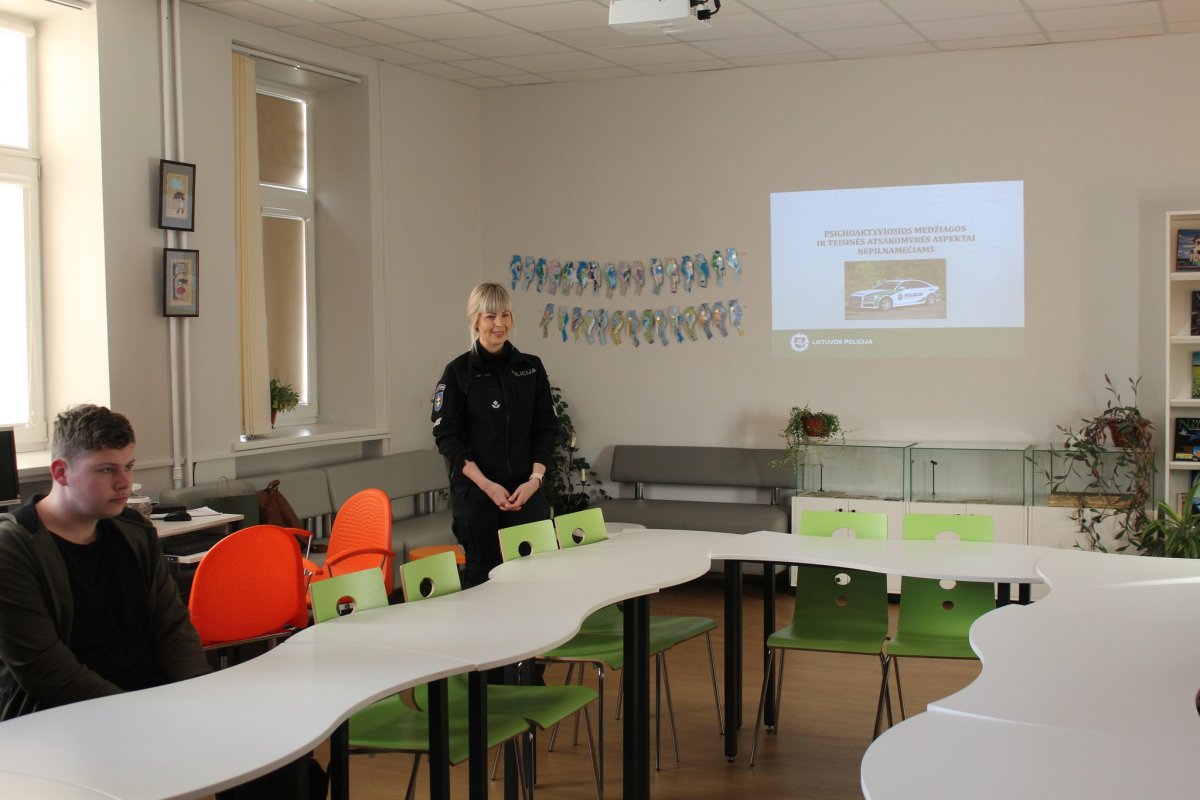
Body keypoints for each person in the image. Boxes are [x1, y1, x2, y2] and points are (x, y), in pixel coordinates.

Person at [0, 405, 322, 798]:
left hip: (150, 698)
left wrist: (198, 695)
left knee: (281, 752)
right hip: (63, 714)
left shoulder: (133, 531)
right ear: (61, 472)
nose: (124, 483)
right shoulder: (14, 548)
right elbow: (44, 669)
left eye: (129, 466)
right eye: (106, 470)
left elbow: (171, 624)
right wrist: (143, 716)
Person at [432, 282, 557, 588]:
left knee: (531, 580)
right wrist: (488, 486)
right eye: (490, 316)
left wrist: (534, 481)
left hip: (525, 494)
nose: (499, 324)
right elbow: (447, 437)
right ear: (475, 320)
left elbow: (546, 427)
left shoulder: (530, 368)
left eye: (505, 315)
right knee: (483, 581)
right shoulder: (458, 372)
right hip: (477, 497)